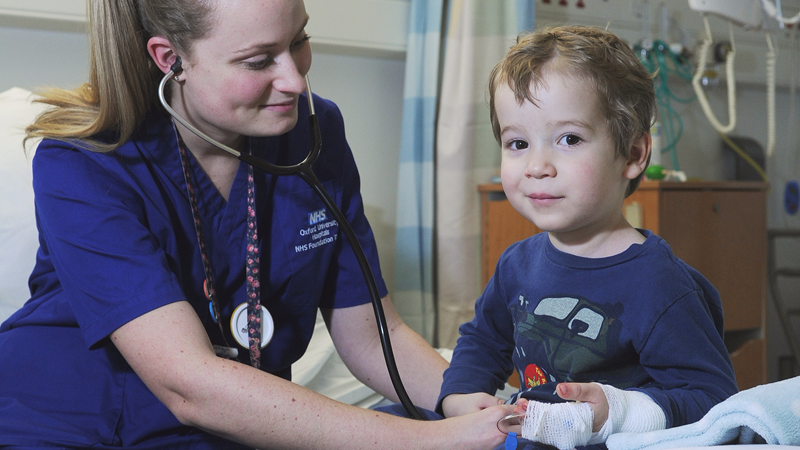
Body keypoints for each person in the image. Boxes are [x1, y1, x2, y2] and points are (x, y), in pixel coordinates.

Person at [0, 0, 514, 448]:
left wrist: (475, 407)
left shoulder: (313, 132)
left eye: (299, 41)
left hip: (231, 429)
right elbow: (189, 385)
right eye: (258, 60)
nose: (295, 80)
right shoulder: (83, 163)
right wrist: (433, 442)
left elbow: (376, 337)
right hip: (71, 424)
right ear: (170, 58)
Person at [437, 25, 739, 449]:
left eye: (569, 139)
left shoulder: (660, 285)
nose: (537, 166)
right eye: (518, 143)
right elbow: (483, 340)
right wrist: (460, 396)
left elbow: (714, 400)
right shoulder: (516, 265)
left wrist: (618, 411)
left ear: (633, 154)